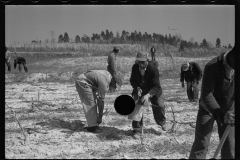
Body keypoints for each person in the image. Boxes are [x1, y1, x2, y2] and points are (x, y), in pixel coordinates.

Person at [189, 46, 235, 159]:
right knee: (201, 143)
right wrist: (221, 115)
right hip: (208, 109)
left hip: (229, 110)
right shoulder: (212, 66)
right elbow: (206, 95)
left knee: (229, 147)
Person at [129, 51, 166, 139]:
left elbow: (157, 85)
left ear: (147, 60)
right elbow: (132, 80)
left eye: (143, 62)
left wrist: (149, 95)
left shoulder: (153, 69)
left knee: (159, 105)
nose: (141, 64)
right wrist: (137, 88)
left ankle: (162, 122)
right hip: (140, 90)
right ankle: (137, 129)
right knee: (136, 104)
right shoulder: (134, 67)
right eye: (139, 62)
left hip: (153, 90)